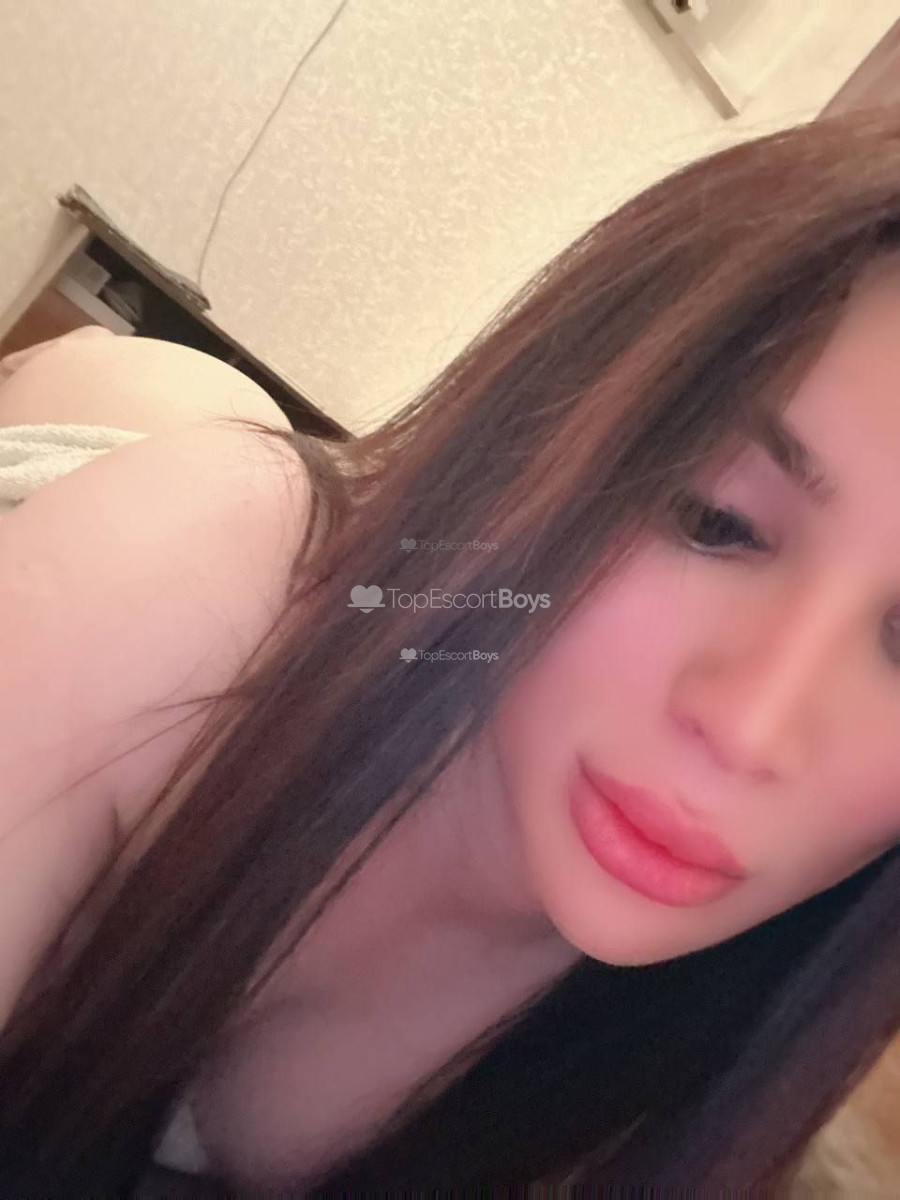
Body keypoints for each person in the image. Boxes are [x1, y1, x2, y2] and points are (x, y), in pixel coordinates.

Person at [2, 105, 900, 1195]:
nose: (754, 726)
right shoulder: (186, 589)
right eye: (715, 518)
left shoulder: (716, 1080)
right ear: (556, 427)